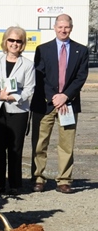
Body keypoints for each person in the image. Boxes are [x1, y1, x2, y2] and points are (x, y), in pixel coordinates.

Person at [31, 14, 88, 194]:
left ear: (71, 28)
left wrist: (65, 96)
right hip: (45, 103)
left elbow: (81, 77)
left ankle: (64, 180)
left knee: (66, 144)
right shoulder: (42, 49)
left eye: (67, 27)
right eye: (60, 27)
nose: (63, 30)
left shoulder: (82, 50)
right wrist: (54, 96)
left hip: (68, 105)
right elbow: (40, 75)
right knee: (40, 142)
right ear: (55, 27)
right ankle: (39, 177)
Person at [0, 26, 35, 194]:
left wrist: (12, 97)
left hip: (18, 111)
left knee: (15, 149)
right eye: (11, 40)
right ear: (5, 41)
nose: (14, 44)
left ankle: (15, 185)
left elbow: (30, 89)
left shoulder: (28, 65)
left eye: (18, 41)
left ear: (22, 44)